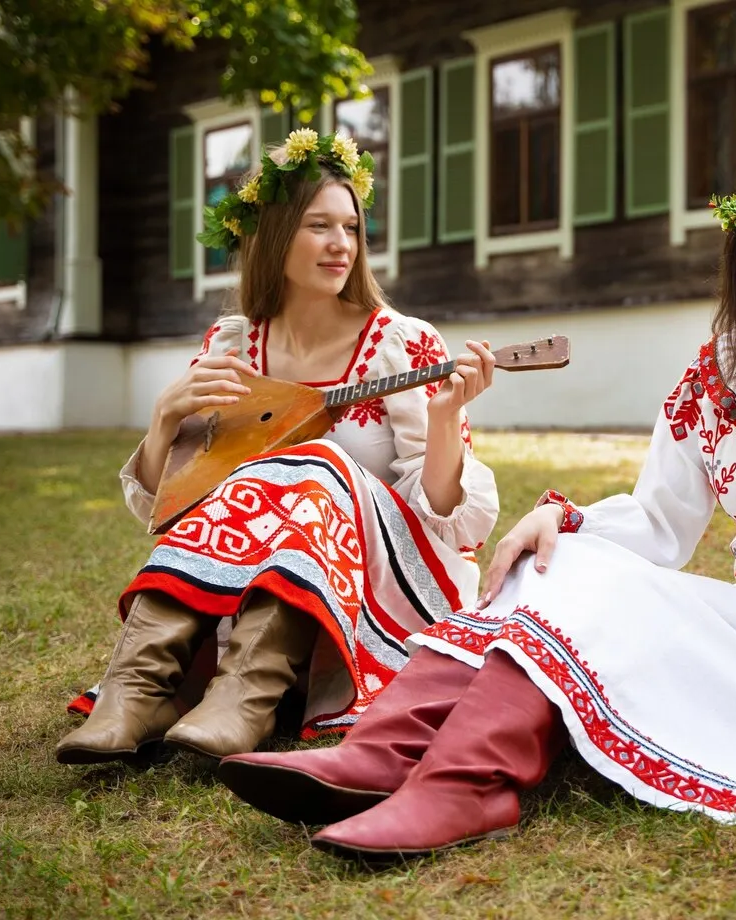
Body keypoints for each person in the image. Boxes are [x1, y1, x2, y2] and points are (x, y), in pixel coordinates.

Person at [215, 150, 736, 857]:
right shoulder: (717, 368)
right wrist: (568, 518)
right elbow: (662, 523)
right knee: (565, 559)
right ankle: (380, 754)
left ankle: (463, 789)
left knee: (585, 592)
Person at [56, 128, 499, 764]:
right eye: (319, 225)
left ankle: (246, 698)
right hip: (256, 586)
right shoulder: (233, 346)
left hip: (386, 585)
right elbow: (183, 503)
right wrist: (162, 420)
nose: (341, 244)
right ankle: (135, 693)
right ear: (271, 234)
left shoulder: (403, 342)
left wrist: (444, 421)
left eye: (350, 227)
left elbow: (450, 524)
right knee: (252, 477)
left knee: (315, 462)